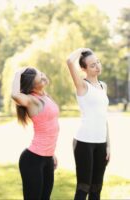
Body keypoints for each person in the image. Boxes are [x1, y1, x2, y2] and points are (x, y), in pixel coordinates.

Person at [66, 48, 110, 200]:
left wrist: (108, 145)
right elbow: (69, 61)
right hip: (84, 141)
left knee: (97, 188)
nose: (97, 66)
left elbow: (104, 118)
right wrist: (82, 50)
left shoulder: (104, 86)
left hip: (101, 142)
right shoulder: (82, 86)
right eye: (92, 65)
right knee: (83, 188)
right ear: (83, 69)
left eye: (98, 62)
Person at [11, 67, 59, 200]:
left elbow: (49, 129)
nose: (44, 77)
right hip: (33, 160)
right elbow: (15, 95)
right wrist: (18, 73)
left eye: (42, 73)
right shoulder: (32, 100)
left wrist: (52, 153)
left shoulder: (45, 97)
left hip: (47, 157)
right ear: (32, 85)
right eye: (40, 78)